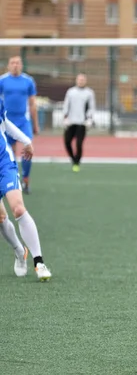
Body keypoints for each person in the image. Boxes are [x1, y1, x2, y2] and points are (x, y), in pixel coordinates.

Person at [0, 98, 51, 281]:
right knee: (1, 218)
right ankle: (19, 251)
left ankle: (39, 262)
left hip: (4, 162)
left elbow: (4, 123)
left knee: (18, 208)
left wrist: (25, 140)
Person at [0, 56, 39, 194]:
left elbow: (33, 103)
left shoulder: (28, 81)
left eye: (18, 63)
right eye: (12, 63)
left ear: (21, 65)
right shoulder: (2, 81)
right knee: (8, 153)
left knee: (28, 148)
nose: (15, 65)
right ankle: (10, 181)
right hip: (7, 123)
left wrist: (35, 124)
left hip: (23, 122)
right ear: (8, 65)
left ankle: (26, 179)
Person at [62, 73, 96, 172]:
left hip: (82, 123)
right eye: (79, 79)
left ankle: (77, 162)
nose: (81, 81)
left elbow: (91, 107)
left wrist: (90, 119)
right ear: (76, 80)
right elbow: (66, 105)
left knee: (79, 143)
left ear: (85, 81)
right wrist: (65, 117)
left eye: (83, 79)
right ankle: (73, 158)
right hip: (71, 122)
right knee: (67, 141)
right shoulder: (71, 92)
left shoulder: (89, 93)